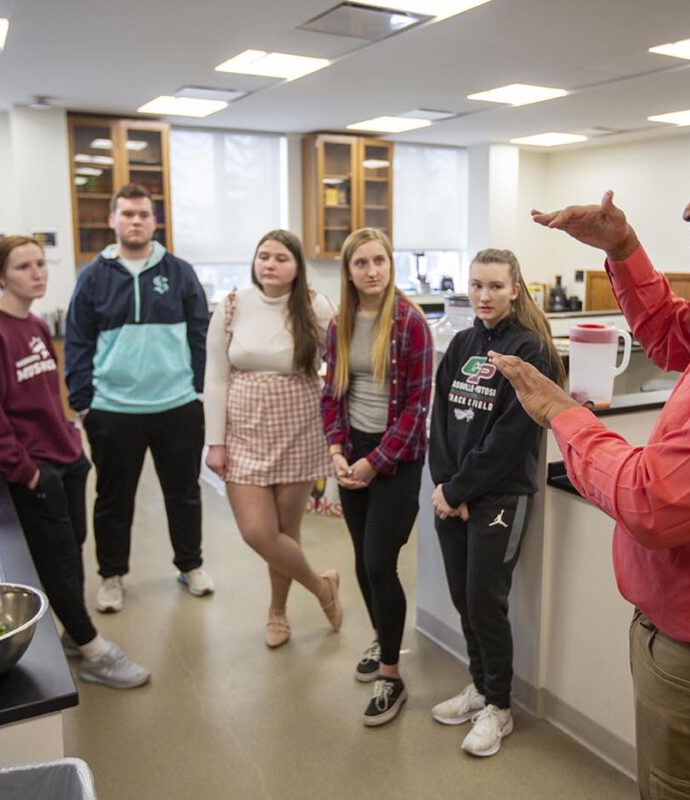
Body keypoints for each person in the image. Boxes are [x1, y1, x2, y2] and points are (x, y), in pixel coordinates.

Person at [489, 112, 690, 797]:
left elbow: (655, 501)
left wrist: (562, 414)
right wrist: (623, 247)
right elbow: (672, 334)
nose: (689, 208)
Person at [0, 235, 150, 689]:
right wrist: (26, 471)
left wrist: (69, 437)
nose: (37, 273)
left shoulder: (37, 325)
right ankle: (94, 650)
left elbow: (45, 394)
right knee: (57, 559)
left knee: (73, 546)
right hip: (33, 468)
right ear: (2, 275)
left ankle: (71, 632)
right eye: (23, 267)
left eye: (40, 264)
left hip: (66, 458)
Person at [428, 249, 563, 757]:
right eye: (477, 285)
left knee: (487, 603)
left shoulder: (531, 352)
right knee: (464, 599)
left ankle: (500, 709)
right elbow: (440, 419)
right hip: (454, 496)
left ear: (514, 289)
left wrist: (460, 490)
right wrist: (445, 489)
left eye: (495, 286)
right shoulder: (462, 343)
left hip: (500, 497)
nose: (484, 296)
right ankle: (480, 687)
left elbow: (510, 440)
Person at [64, 184, 214, 614]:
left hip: (177, 405)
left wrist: (200, 392)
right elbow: (77, 341)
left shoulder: (180, 272)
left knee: (183, 493)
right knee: (113, 498)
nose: (135, 221)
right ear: (113, 220)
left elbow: (199, 335)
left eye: (143, 214)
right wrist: (83, 402)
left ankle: (190, 565)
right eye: (127, 213)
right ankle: (112, 576)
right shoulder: (93, 277)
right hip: (113, 410)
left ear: (154, 221)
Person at [203, 229, 341, 647]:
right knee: (258, 532)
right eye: (263, 256)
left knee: (286, 529)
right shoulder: (231, 306)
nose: (270, 264)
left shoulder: (317, 307)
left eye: (281, 258)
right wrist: (215, 441)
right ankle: (321, 587)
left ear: (297, 266)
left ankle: (277, 612)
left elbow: (337, 366)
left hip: (298, 428)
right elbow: (215, 375)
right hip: (242, 432)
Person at [321, 228, 433, 726]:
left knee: (379, 562)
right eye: (361, 263)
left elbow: (415, 410)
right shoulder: (340, 324)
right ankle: (382, 634)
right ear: (348, 271)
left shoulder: (410, 325)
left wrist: (374, 463)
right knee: (364, 564)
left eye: (379, 261)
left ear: (391, 265)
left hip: (397, 457)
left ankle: (391, 673)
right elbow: (332, 393)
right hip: (355, 452)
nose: (372, 270)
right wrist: (338, 448)